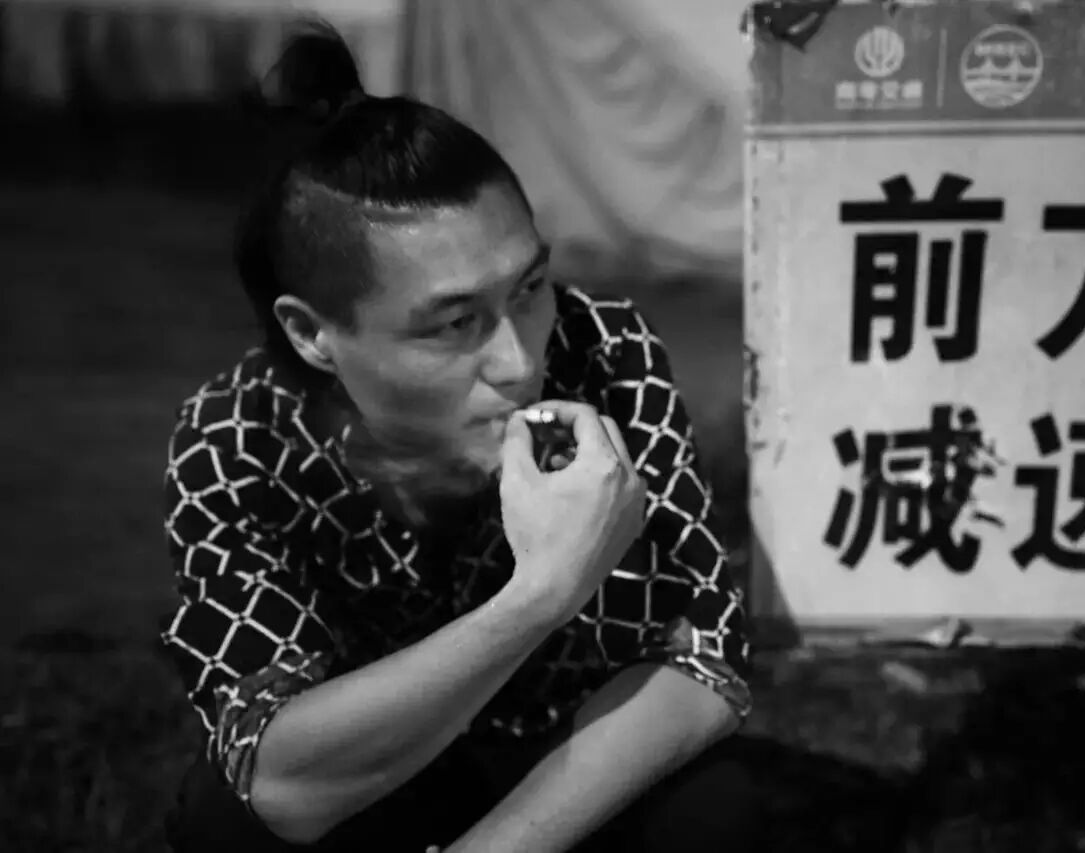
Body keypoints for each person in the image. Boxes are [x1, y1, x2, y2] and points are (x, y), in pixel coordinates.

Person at [158, 22, 761, 853]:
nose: (519, 361)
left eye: (530, 288)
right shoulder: (237, 441)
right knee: (225, 823)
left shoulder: (603, 351)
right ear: (313, 334)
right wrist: (540, 595)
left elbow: (701, 663)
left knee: (712, 811)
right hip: (382, 764)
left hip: (564, 747)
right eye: (454, 323)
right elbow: (281, 777)